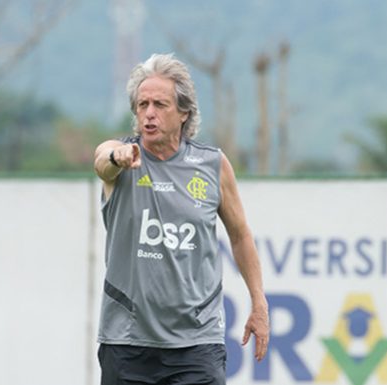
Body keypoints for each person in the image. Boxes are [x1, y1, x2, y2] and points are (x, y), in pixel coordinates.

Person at [93, 53, 268, 384]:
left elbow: (240, 235)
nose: (149, 113)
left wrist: (259, 304)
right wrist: (117, 156)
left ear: (184, 112)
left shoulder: (213, 165)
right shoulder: (122, 157)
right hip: (126, 342)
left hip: (196, 343)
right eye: (142, 104)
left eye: (160, 104)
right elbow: (102, 160)